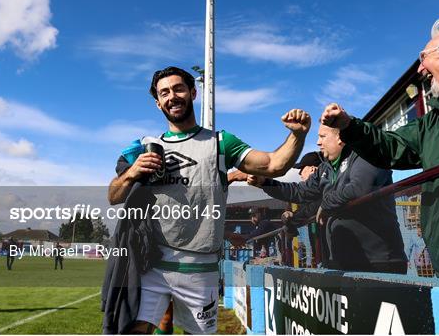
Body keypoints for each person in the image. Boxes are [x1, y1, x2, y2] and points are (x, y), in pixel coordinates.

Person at [104, 66, 311, 334]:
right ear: (158, 103)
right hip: (152, 265)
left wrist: (298, 135)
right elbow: (113, 196)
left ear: (193, 92)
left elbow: (274, 165)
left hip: (199, 269)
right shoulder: (144, 146)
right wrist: (132, 172)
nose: (172, 96)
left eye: (178, 89)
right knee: (134, 330)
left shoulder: (220, 142)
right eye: (164, 93)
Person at [321, 18, 439, 283]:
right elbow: (390, 147)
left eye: (423, 56)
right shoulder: (433, 121)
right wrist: (350, 127)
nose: (420, 68)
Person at [248, 124, 407, 273]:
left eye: (322, 136)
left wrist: (325, 204)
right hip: (342, 261)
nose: (318, 142)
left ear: (339, 137)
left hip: (377, 261)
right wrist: (265, 182)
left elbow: (359, 188)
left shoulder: (367, 153)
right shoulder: (326, 167)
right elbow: (299, 192)